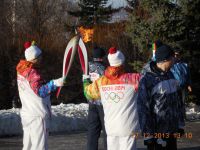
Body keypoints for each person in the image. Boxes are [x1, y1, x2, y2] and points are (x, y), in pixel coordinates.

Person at [83, 47, 141, 150]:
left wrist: (85, 81)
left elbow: (87, 93)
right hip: (128, 128)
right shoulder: (133, 79)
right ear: (122, 62)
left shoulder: (102, 81)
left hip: (111, 128)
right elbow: (150, 80)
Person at [16, 41, 64, 150]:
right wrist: (55, 83)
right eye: (39, 57)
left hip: (27, 114)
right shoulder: (32, 72)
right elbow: (40, 91)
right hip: (37, 115)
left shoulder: (21, 69)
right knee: (39, 147)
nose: (41, 59)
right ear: (34, 58)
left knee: (27, 146)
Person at [137, 44, 185, 150]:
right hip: (156, 134)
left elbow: (179, 102)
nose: (174, 60)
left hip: (172, 131)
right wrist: (148, 135)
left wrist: (180, 125)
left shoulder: (170, 75)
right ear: (166, 59)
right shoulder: (147, 80)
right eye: (173, 58)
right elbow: (142, 108)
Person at [87, 46, 107, 150]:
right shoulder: (104, 69)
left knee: (92, 129)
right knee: (106, 129)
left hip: (91, 101)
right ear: (102, 57)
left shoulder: (87, 67)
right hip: (102, 103)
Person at [170, 48, 192, 118]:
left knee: (182, 101)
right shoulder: (171, 65)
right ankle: (175, 116)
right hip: (174, 86)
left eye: (178, 55)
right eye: (175, 55)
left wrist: (189, 85)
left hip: (184, 86)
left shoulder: (185, 65)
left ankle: (182, 116)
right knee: (175, 101)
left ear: (180, 56)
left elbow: (188, 75)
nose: (176, 56)